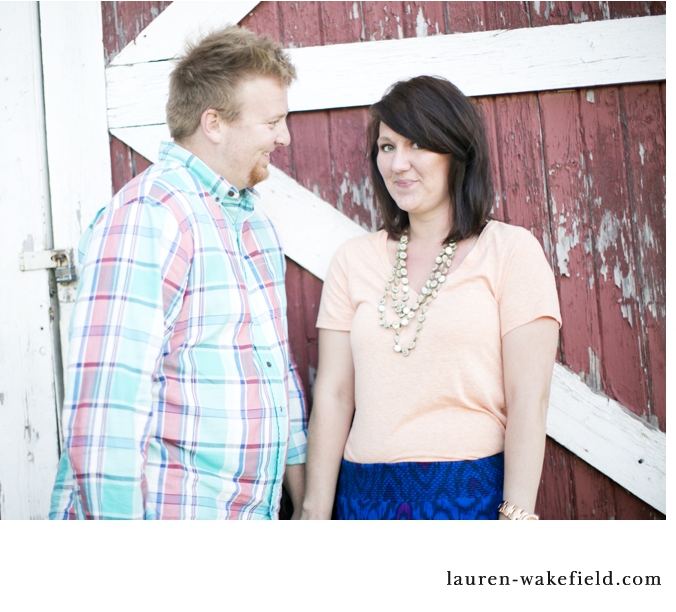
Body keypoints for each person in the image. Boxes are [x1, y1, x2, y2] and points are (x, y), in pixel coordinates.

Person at [49, 26, 307, 519]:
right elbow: (107, 408)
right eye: (272, 121)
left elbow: (278, 373)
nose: (284, 136)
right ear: (214, 123)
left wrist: (310, 506)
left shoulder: (254, 225)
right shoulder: (152, 214)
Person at [300, 76, 561, 520]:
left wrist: (516, 519)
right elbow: (335, 394)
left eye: (417, 144)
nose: (398, 163)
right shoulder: (352, 260)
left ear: (456, 151)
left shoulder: (511, 251)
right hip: (364, 498)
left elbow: (528, 399)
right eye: (386, 147)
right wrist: (314, 514)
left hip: (470, 493)